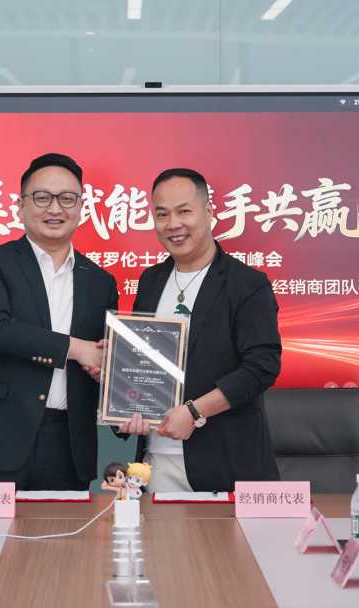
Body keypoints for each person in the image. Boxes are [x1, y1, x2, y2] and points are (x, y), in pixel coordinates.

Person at [0, 153, 118, 490]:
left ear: (81, 207)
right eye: (42, 197)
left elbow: (103, 354)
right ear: (20, 206)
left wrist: (111, 380)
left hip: (69, 444)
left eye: (67, 198)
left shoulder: (101, 282)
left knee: (62, 529)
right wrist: (77, 349)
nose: (55, 208)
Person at [119, 168, 282, 493]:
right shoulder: (151, 281)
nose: (173, 224)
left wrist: (194, 412)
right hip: (156, 462)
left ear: (208, 212)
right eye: (162, 214)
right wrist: (121, 393)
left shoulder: (247, 284)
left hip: (227, 464)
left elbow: (261, 367)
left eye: (184, 211)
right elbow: (140, 362)